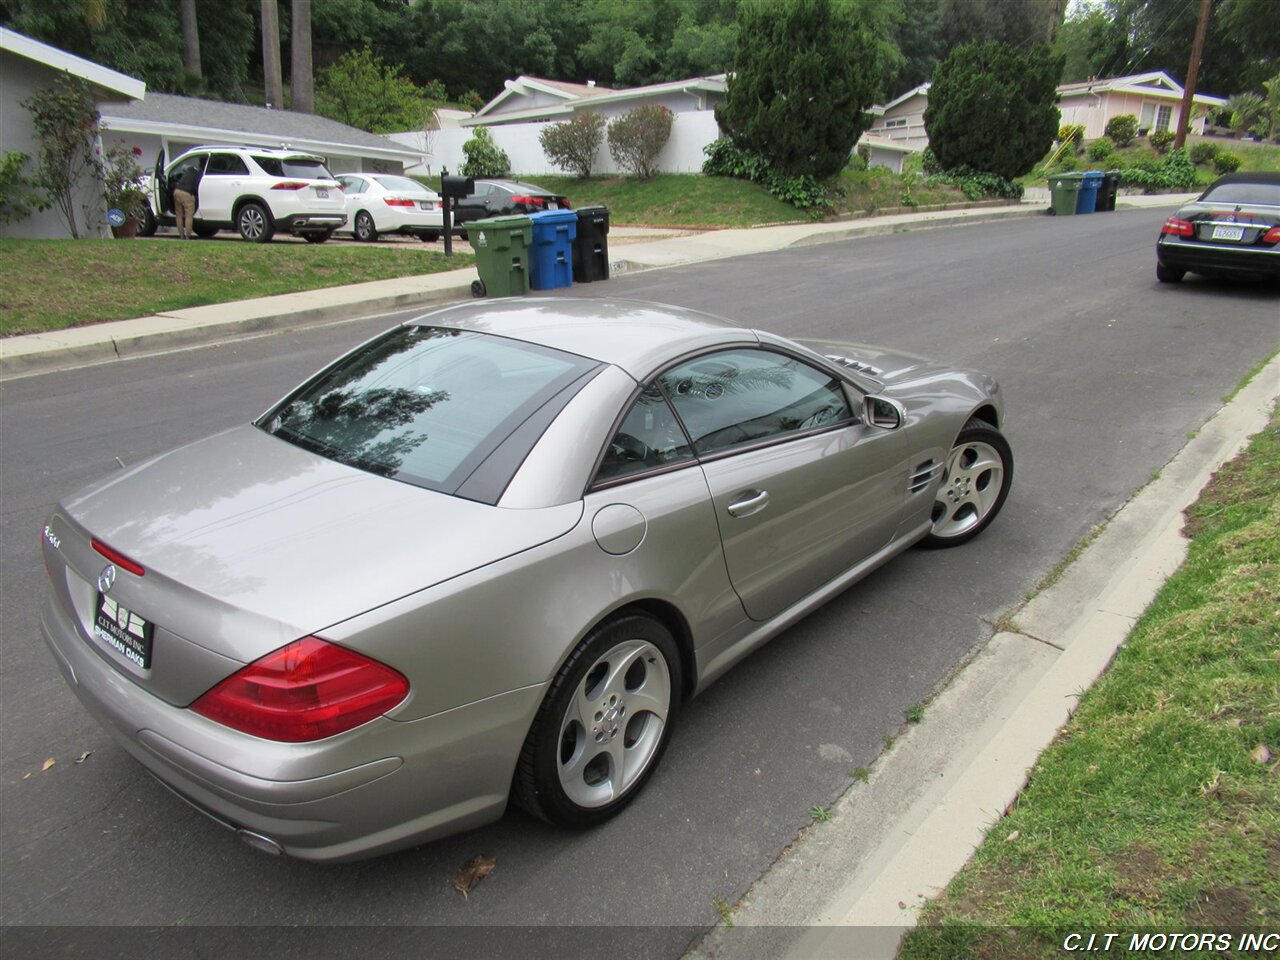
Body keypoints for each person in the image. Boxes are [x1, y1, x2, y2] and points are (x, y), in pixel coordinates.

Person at [172, 164, 202, 239]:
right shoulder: (200, 175)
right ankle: (187, 235)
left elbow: (183, 167)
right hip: (187, 194)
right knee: (189, 215)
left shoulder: (190, 168)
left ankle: (181, 235)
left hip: (177, 191)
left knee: (179, 215)